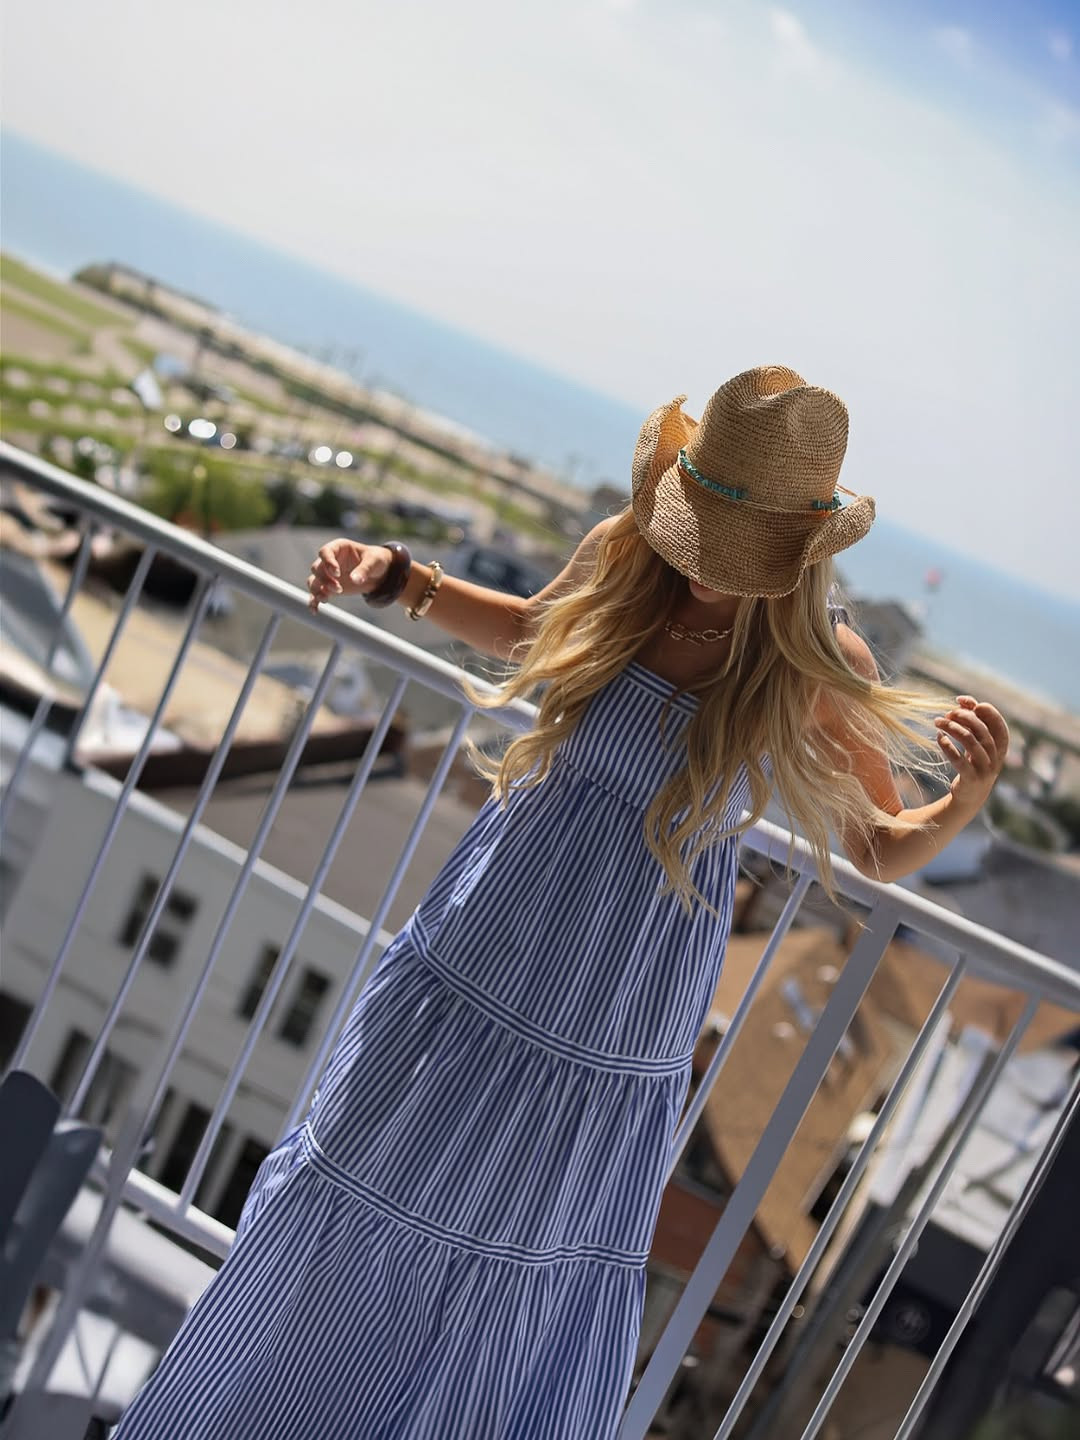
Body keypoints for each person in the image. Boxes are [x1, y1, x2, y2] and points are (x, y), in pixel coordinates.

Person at [113, 366, 1008, 1439]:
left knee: (520, 1248)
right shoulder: (628, 557)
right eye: (701, 533)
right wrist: (397, 577)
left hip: (618, 1001)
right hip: (489, 938)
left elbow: (877, 846)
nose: (707, 570)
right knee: (364, 1173)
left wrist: (968, 799)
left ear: (794, 554)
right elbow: (536, 634)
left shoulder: (814, 664)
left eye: (738, 552)